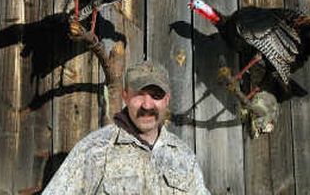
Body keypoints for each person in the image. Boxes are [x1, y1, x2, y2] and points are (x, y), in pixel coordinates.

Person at [42, 61, 210, 194]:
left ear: (167, 100)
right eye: (139, 94)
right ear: (125, 96)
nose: (147, 104)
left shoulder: (183, 157)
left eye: (156, 96)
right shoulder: (95, 150)